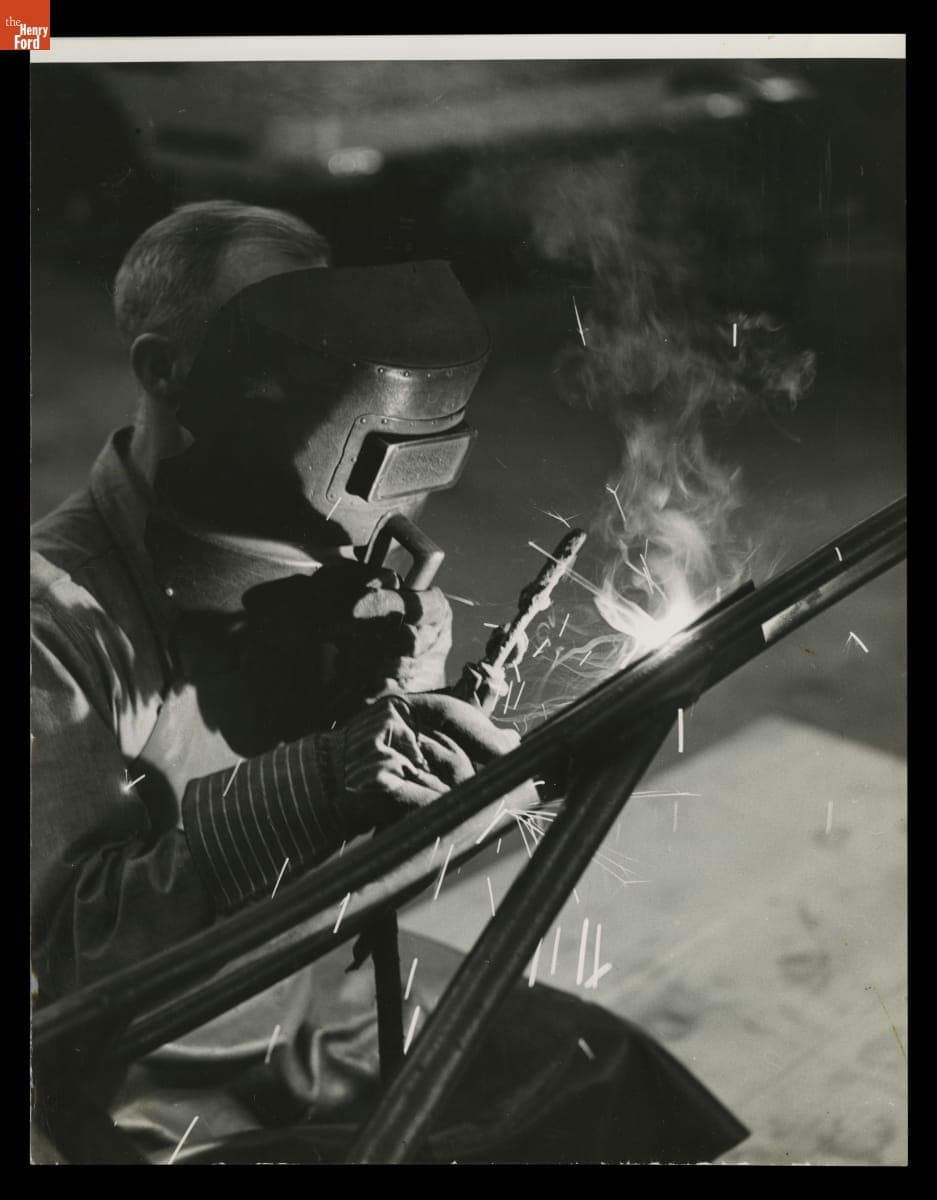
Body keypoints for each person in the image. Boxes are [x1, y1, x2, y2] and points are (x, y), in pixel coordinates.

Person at [31, 200, 748, 1164]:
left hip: (331, 1012)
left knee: (605, 1077)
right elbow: (67, 963)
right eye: (275, 341)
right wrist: (315, 783)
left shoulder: (313, 532)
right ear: (165, 368)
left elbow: (385, 842)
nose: (317, 355)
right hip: (161, 1089)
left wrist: (423, 719)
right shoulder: (56, 619)